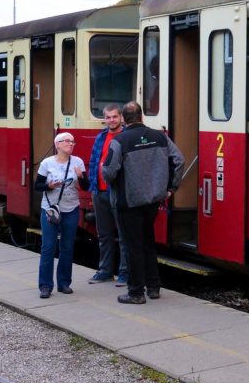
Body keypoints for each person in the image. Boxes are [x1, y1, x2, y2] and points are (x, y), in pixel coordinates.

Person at [101, 101, 184, 304]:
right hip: (153, 201)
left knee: (132, 247)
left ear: (123, 119)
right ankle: (153, 287)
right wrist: (170, 189)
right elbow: (179, 161)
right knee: (148, 244)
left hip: (128, 203)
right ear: (142, 117)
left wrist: (107, 173)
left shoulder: (119, 140)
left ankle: (136, 292)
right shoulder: (160, 137)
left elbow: (109, 172)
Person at [34, 132, 90, 299]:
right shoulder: (47, 163)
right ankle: (45, 286)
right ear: (57, 144)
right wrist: (49, 186)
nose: (70, 144)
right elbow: (37, 186)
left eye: (72, 142)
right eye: (66, 141)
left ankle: (64, 283)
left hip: (71, 209)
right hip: (50, 210)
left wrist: (81, 177)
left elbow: (86, 187)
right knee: (48, 248)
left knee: (67, 248)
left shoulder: (78, 162)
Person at [87, 104, 129, 286]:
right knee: (104, 235)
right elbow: (94, 161)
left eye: (114, 117)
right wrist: (92, 187)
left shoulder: (127, 136)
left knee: (124, 235)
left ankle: (125, 273)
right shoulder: (101, 136)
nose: (111, 120)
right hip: (100, 192)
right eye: (108, 117)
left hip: (119, 192)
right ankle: (105, 271)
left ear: (121, 117)